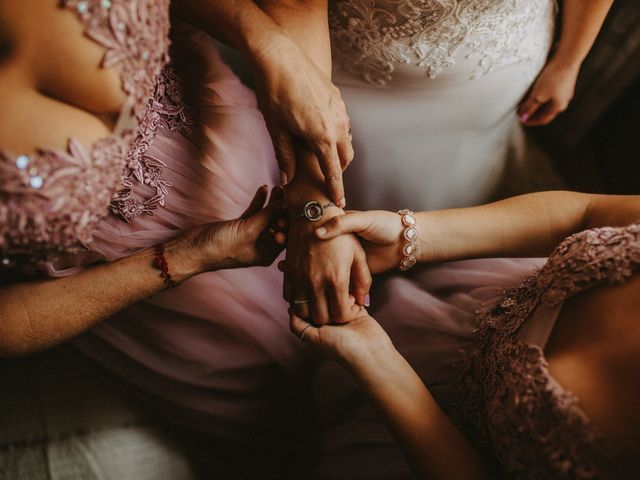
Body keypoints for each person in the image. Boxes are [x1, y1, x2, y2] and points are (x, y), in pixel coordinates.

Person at [291, 190, 640, 479]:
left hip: (430, 446)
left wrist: (376, 360)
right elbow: (587, 213)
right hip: (462, 322)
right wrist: (407, 238)